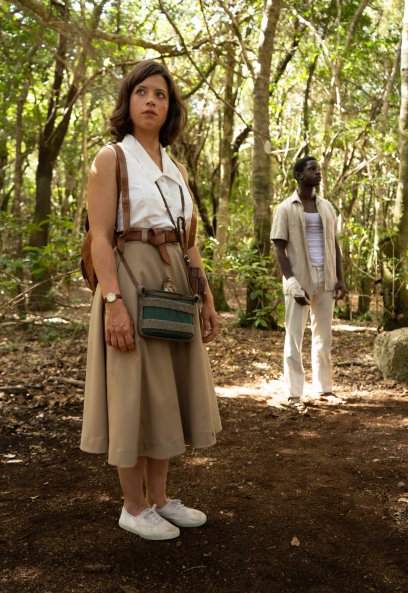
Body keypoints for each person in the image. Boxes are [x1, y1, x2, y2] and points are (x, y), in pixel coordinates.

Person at [80, 60, 221, 541]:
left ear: (170, 108)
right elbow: (100, 238)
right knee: (133, 390)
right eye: (142, 92)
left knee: (166, 393)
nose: (151, 101)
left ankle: (161, 500)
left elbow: (189, 239)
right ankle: (133, 506)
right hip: (130, 281)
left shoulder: (175, 169)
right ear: (128, 101)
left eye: (161, 95)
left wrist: (206, 297)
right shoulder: (110, 159)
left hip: (175, 284)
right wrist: (114, 302)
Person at [270, 156, 347, 411]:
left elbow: (334, 245)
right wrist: (291, 282)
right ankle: (294, 395)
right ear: (299, 175)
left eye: (319, 169)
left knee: (323, 338)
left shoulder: (326, 207)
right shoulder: (285, 208)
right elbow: (279, 247)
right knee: (293, 338)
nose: (318, 173)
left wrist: (341, 279)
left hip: (325, 278)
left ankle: (324, 389)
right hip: (299, 280)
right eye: (312, 169)